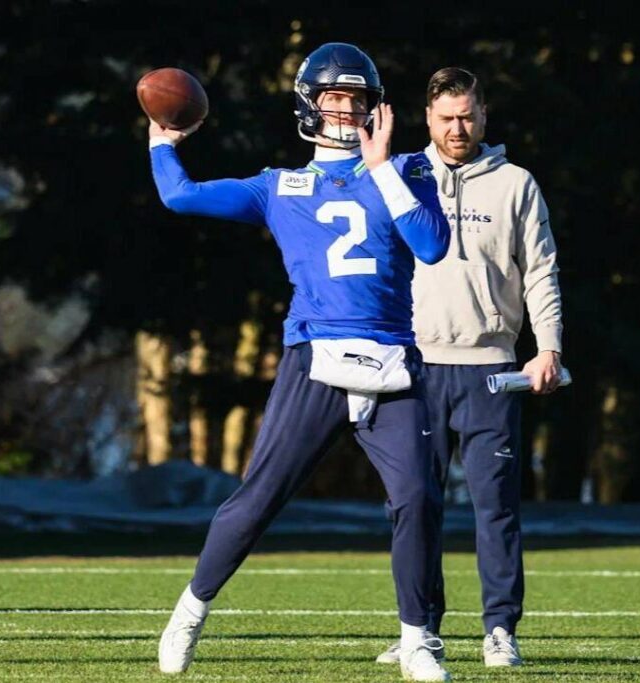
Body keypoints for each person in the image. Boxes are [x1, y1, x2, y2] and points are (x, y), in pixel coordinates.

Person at [147, 43, 452, 682]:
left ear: (376, 109)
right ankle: (189, 613)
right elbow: (180, 198)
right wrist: (163, 141)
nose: (345, 112)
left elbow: (431, 246)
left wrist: (382, 169)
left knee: (419, 497)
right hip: (314, 353)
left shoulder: (411, 171)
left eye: (357, 101)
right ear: (309, 104)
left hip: (393, 355)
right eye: (334, 99)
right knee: (258, 499)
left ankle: (418, 639)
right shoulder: (278, 186)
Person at [375, 67, 564, 669]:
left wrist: (549, 346)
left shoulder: (516, 183)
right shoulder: (400, 175)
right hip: (415, 368)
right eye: (446, 118)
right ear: (427, 119)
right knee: (413, 504)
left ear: (485, 116)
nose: (458, 128)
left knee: (496, 507)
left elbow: (540, 270)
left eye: (468, 116)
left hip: (491, 369)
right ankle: (418, 631)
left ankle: (500, 630)